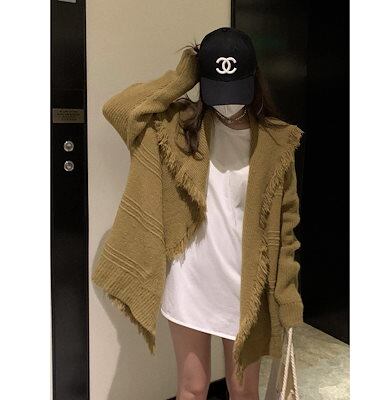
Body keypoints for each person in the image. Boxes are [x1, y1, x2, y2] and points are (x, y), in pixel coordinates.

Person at [92, 26, 304, 400]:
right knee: (191, 388)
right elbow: (118, 109)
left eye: (235, 90)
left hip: (245, 286)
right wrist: (184, 73)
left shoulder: (277, 140)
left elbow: (286, 225)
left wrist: (287, 295)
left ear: (253, 80)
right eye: (217, 90)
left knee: (243, 392)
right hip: (190, 281)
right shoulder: (178, 127)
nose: (227, 103)